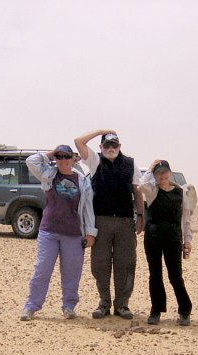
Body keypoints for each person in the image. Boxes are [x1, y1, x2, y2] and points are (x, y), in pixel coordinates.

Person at [20, 145, 97, 321]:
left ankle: (69, 306)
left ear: (73, 159)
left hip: (73, 233)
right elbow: (30, 161)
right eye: (59, 157)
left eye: (66, 157)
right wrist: (50, 153)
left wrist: (90, 233)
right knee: (42, 270)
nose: (63, 161)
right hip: (49, 232)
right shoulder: (49, 174)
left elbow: (88, 209)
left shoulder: (82, 180)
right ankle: (31, 306)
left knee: (72, 272)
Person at [74, 129, 144, 320]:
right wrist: (102, 131)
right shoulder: (95, 161)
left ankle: (122, 305)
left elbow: (136, 191)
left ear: (119, 147)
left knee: (126, 263)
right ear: (101, 147)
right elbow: (78, 141)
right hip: (101, 221)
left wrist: (140, 215)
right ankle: (104, 303)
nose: (111, 148)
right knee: (101, 263)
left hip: (124, 221)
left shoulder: (130, 163)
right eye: (107, 145)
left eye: (114, 145)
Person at [139, 159, 193, 326]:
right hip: (153, 239)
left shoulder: (180, 193)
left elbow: (187, 218)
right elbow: (141, 185)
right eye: (158, 173)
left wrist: (188, 240)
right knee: (155, 276)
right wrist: (149, 169)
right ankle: (156, 310)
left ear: (169, 173)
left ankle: (184, 311)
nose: (161, 175)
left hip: (173, 239)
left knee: (175, 276)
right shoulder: (152, 191)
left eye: (164, 172)